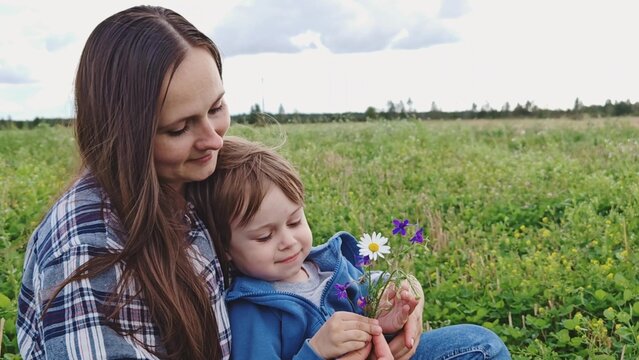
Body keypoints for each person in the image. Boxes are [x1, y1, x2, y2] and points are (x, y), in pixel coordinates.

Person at [16, 5, 235, 360]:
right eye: (179, 128)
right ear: (124, 136)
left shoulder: (193, 178)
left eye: (216, 108)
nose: (214, 140)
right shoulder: (87, 253)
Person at [190, 136, 512, 359]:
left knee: (481, 345)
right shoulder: (253, 310)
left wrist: (387, 313)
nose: (287, 241)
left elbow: (365, 293)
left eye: (294, 221)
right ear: (225, 248)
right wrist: (315, 352)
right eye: (264, 236)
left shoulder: (325, 266)